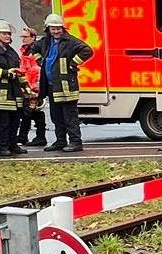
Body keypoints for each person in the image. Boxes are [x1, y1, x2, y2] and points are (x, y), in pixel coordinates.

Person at [29, 14, 93, 152]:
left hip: (66, 86)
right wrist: (40, 61)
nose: (56, 31)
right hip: (52, 86)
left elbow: (87, 50)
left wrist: (73, 63)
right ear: (48, 29)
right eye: (53, 29)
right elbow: (33, 49)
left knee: (70, 116)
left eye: (58, 28)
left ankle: (76, 142)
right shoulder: (45, 41)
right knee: (56, 116)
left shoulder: (70, 41)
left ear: (63, 28)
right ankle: (60, 141)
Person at [0, 21, 28, 156]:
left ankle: (13, 145)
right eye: (4, 33)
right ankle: (3, 148)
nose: (8, 36)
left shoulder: (10, 50)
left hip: (13, 93)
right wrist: (6, 73)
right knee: (3, 123)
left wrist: (26, 87)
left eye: (8, 33)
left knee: (14, 121)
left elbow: (17, 69)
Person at [19, 26, 47, 147]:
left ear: (33, 37)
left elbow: (38, 69)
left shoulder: (35, 50)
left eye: (25, 37)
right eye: (22, 37)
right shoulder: (24, 50)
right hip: (26, 85)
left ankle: (25, 136)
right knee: (33, 112)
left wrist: (36, 87)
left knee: (30, 111)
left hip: (34, 86)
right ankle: (35, 136)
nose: (23, 39)